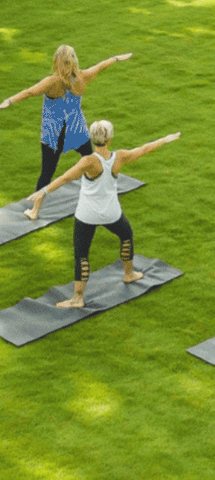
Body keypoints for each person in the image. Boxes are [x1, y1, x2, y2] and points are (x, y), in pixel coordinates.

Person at [24, 120, 180, 307]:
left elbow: (65, 178)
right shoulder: (120, 156)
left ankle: (78, 298)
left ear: (92, 139)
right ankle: (129, 273)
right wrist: (164, 140)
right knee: (126, 235)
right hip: (111, 213)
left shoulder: (88, 161)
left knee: (81, 255)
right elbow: (143, 149)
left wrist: (44, 191)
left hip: (87, 215)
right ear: (110, 139)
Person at [0, 45, 133, 196]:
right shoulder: (82, 77)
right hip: (73, 130)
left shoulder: (52, 82)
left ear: (56, 62)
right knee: (91, 161)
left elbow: (29, 92)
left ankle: (36, 204)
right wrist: (116, 58)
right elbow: (100, 66)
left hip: (56, 133)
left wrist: (9, 101)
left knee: (48, 173)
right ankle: (102, 189)